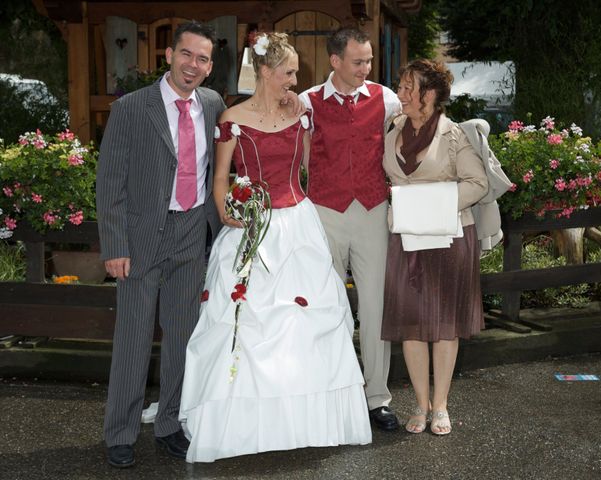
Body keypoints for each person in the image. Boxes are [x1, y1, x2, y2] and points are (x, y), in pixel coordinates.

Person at [179, 32, 372, 463]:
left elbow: (306, 168)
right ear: (265, 72)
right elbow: (221, 175)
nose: (294, 79)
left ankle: (305, 423)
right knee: (243, 323)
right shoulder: (233, 117)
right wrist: (226, 211)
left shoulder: (301, 114)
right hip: (252, 226)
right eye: (288, 72)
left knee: (303, 322)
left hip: (297, 224)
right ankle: (240, 428)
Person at [96, 21, 226, 468]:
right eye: (187, 54)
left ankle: (170, 424)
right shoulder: (132, 108)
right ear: (169, 55)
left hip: (192, 234)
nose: (194, 65)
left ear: (210, 68)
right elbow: (109, 181)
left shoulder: (212, 105)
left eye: (203, 58)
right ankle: (120, 433)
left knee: (181, 340)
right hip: (140, 239)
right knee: (132, 338)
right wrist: (115, 245)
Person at [299, 27, 402, 431]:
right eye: (358, 61)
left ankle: (376, 397)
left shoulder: (386, 98)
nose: (366, 68)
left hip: (373, 211)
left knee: (375, 305)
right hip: (324, 211)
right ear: (335, 61)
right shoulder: (307, 102)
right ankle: (333, 391)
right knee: (328, 305)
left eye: (369, 60)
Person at [381, 59, 489, 435]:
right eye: (402, 85)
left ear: (429, 94)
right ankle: (420, 404)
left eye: (409, 87)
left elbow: (478, 184)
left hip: (449, 238)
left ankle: (440, 406)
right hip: (407, 239)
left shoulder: (454, 135)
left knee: (445, 325)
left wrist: (433, 205)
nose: (401, 94)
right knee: (410, 325)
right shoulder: (392, 128)